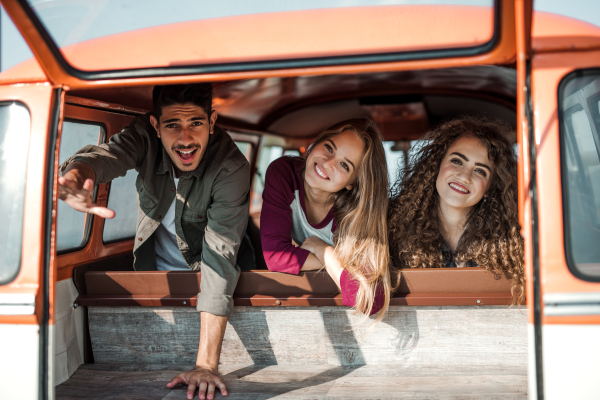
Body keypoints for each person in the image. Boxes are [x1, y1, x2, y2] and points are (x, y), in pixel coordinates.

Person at [58, 83, 251, 400]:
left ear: (212, 122)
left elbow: (218, 262)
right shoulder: (142, 138)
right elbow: (107, 155)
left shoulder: (231, 167)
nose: (185, 139)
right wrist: (77, 176)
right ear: (155, 126)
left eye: (196, 124)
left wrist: (205, 364)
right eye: (173, 125)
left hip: (213, 281)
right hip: (154, 276)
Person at [260, 118, 392, 320]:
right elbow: (275, 257)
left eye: (344, 165)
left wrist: (324, 250)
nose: (328, 163)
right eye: (329, 148)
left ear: (352, 183)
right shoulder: (283, 174)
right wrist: (340, 263)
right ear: (318, 142)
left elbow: (368, 301)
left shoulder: (356, 212)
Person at [388, 116, 525, 303]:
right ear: (437, 164)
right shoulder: (392, 229)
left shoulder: (513, 243)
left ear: (490, 187)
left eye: (480, 171)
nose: (464, 176)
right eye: (457, 161)